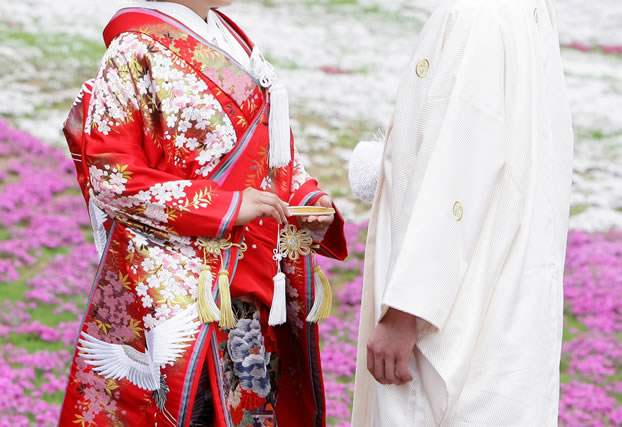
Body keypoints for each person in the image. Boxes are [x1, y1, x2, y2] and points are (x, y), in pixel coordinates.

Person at [59, 1, 347, 426]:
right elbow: (113, 178)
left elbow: (270, 150)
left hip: (247, 278)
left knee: (251, 405)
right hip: (175, 287)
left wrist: (306, 196)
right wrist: (225, 205)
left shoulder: (231, 40)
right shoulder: (132, 48)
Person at [350, 0, 573, 425]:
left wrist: (404, 312)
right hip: (506, 304)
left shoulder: (477, 16)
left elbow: (456, 175)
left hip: (453, 321)